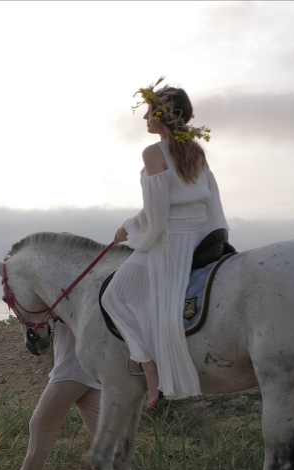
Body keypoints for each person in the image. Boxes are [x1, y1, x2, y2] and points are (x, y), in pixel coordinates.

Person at [101, 77, 229, 410]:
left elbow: (157, 217)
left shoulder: (153, 153)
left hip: (171, 241)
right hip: (201, 236)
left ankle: (149, 368)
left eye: (149, 112)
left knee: (114, 296)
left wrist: (129, 231)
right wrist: (219, 237)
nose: (145, 118)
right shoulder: (197, 151)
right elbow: (211, 202)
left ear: (163, 116)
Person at [18, 320, 134, 470]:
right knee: (107, 442)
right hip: (93, 373)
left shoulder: (68, 302)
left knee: (40, 427)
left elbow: (46, 314)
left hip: (71, 371)